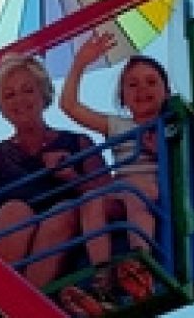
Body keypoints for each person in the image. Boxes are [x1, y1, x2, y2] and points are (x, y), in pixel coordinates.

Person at [0, 53, 109, 299]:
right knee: (14, 211)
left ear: (43, 93)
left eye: (27, 90)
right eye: (9, 95)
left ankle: (23, 306)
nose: (19, 100)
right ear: (2, 107)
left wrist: (71, 176)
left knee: (62, 212)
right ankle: (11, 302)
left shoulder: (78, 142)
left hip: (65, 238)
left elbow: (108, 193)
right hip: (12, 241)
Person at [58, 30, 171, 308]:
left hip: (153, 190)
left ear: (166, 91)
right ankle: (103, 278)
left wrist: (160, 151)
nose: (142, 90)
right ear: (122, 97)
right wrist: (80, 63)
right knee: (92, 201)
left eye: (150, 82)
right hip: (120, 192)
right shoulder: (119, 126)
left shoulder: (172, 123)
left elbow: (189, 161)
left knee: (134, 193)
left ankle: (139, 263)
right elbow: (69, 106)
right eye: (132, 85)